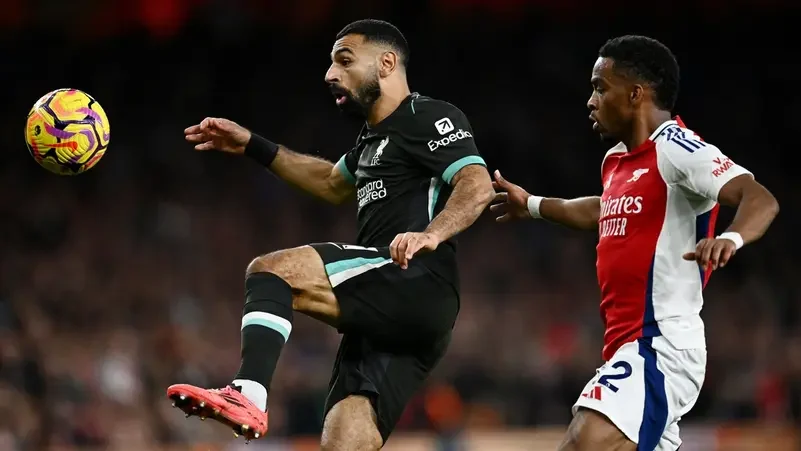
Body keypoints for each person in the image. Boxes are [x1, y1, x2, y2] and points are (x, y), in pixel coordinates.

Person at [166, 19, 493, 450]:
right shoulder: (372, 140)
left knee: (272, 272)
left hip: (414, 279)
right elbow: (330, 182)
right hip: (391, 314)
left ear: (386, 63)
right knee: (342, 441)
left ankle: (248, 393)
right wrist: (251, 144)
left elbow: (477, 184)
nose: (330, 74)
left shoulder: (427, 116)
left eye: (344, 60)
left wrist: (430, 235)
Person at [491, 35, 779, 450]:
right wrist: (534, 205)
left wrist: (730, 237)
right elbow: (604, 208)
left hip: (661, 344)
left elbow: (759, 197)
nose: (590, 101)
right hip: (624, 345)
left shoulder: (678, 149)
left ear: (635, 94)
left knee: (584, 441)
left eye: (600, 87)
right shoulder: (616, 160)